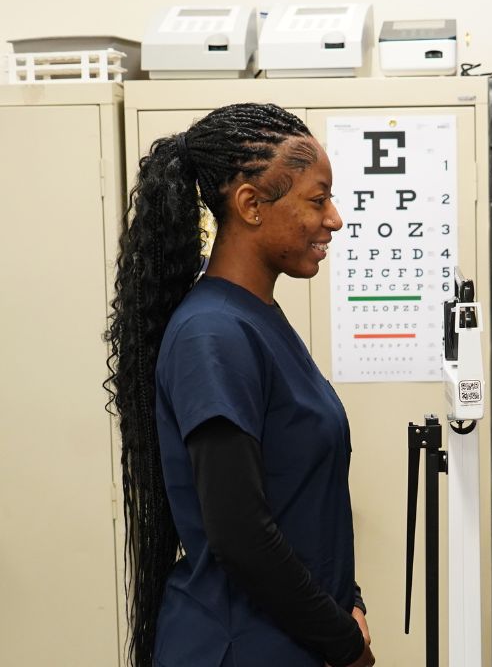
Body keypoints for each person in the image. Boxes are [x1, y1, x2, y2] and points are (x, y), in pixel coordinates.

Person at [104, 103, 374, 667]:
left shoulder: (253, 317)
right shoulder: (213, 333)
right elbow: (240, 534)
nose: (334, 219)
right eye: (318, 200)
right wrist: (343, 642)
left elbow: (302, 499)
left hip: (289, 636)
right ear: (251, 205)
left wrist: (347, 600)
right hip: (238, 646)